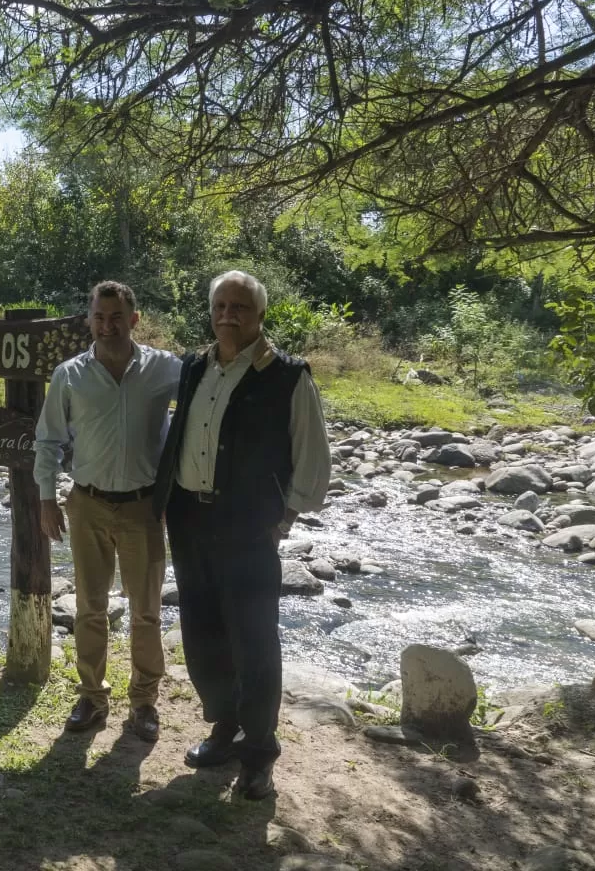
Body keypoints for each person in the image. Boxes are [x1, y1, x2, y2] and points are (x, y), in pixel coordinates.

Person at [152, 270, 331, 800]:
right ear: (211, 311)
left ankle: (259, 754)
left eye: (241, 307)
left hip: (248, 527)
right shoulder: (193, 367)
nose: (229, 315)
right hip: (189, 520)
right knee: (203, 632)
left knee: (254, 640)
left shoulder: (288, 376)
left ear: (259, 316)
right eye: (221, 306)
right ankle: (223, 729)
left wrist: (286, 518)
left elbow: (313, 457)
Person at [34, 281, 181, 741]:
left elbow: (208, 403)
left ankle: (143, 704)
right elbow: (49, 441)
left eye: (116, 317)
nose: (107, 325)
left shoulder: (164, 369)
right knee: (89, 609)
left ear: (134, 320)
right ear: (89, 320)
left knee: (147, 613)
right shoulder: (70, 375)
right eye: (99, 317)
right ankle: (92, 697)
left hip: (143, 508)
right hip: (87, 504)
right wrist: (45, 498)